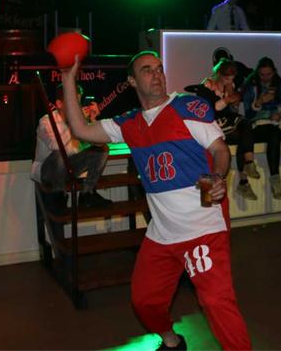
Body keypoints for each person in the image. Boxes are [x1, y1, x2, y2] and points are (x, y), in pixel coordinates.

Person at [60, 51, 252, 351]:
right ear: (132, 81)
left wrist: (217, 176)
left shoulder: (188, 107)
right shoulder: (129, 123)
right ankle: (172, 342)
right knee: (144, 302)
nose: (157, 74)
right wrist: (68, 78)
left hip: (202, 227)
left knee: (216, 302)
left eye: (159, 68)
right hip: (162, 233)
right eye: (147, 70)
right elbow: (80, 129)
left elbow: (220, 150)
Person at [30, 84, 112, 213]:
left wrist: (92, 120)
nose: (76, 107)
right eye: (73, 103)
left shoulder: (78, 122)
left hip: (70, 167)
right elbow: (57, 146)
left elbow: (97, 142)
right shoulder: (46, 122)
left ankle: (87, 193)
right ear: (59, 104)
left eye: (78, 103)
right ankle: (58, 196)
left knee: (101, 149)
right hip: (48, 172)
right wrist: (73, 125)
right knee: (58, 155)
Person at [242, 56, 281, 200]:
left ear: (274, 72)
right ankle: (275, 181)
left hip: (279, 121)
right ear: (257, 73)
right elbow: (248, 114)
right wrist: (259, 102)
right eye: (262, 74)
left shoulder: (279, 83)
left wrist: (280, 113)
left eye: (268, 74)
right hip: (260, 123)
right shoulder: (251, 85)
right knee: (274, 135)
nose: (265, 78)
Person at [200, 59, 260, 200]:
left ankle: (248, 165)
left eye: (232, 78)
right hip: (214, 124)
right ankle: (244, 178)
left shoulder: (231, 86)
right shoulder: (208, 85)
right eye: (227, 78)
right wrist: (228, 99)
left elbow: (233, 110)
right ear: (219, 74)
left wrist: (233, 97)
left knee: (245, 127)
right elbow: (213, 109)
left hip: (229, 121)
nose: (230, 81)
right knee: (243, 133)